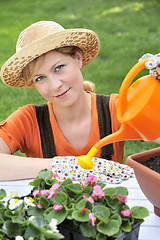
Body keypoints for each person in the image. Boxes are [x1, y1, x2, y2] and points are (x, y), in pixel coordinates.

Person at [0, 20, 124, 181]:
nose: (55, 85)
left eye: (58, 68)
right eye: (40, 78)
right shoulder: (29, 120)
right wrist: (62, 166)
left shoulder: (115, 109)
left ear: (78, 58)